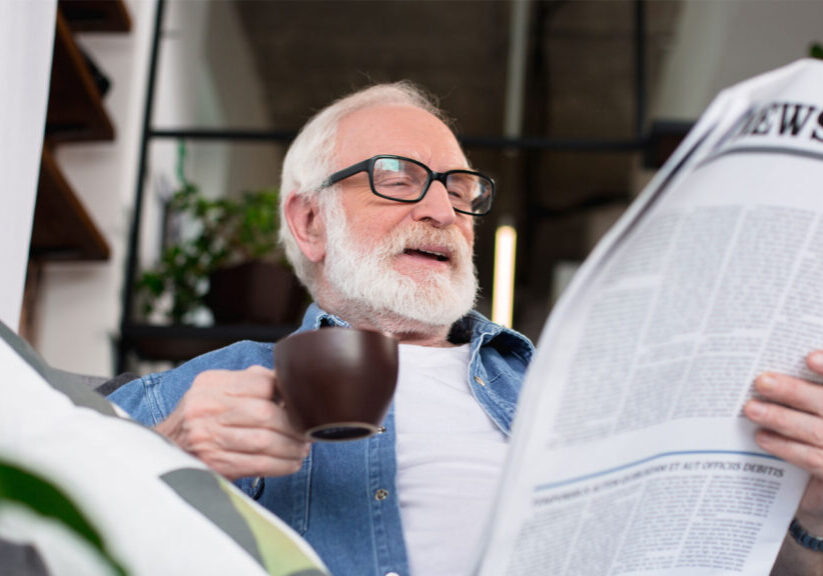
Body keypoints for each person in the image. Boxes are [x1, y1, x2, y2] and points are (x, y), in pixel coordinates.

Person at [110, 82, 823, 576]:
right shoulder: (209, 386)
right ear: (308, 221)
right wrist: (160, 457)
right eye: (398, 176)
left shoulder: (572, 384)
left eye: (459, 189)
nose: (441, 210)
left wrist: (815, 507)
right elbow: (33, 527)